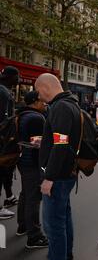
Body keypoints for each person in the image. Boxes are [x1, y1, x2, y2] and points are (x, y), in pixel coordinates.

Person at [28, 74, 81, 260]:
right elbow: (61, 140)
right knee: (63, 216)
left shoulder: (59, 108)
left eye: (39, 91)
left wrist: (49, 177)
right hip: (67, 174)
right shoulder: (71, 104)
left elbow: (61, 145)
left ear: (47, 87)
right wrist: (45, 141)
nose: (39, 96)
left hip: (58, 177)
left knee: (53, 225)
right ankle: (66, 256)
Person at [16, 90, 48, 249]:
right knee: (33, 198)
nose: (44, 104)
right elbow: (38, 145)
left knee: (25, 194)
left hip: (23, 161)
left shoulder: (23, 114)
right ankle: (34, 236)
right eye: (42, 101)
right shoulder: (36, 118)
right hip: (32, 163)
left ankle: (22, 225)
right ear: (35, 101)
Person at [0, 66, 19, 220]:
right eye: (17, 76)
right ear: (10, 77)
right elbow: (3, 121)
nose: (18, 79)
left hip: (4, 141)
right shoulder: (3, 93)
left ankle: (9, 196)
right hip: (3, 142)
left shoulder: (4, 91)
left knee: (6, 172)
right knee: (2, 171)